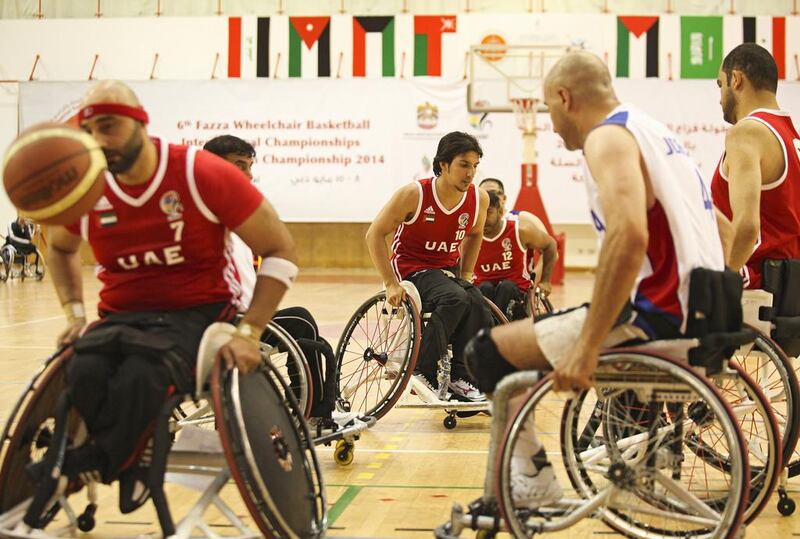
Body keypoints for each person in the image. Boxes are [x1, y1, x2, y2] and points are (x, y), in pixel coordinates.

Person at [26, 80, 297, 524]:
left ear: (140, 122)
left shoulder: (200, 172)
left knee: (141, 374)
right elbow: (57, 247)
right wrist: (75, 314)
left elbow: (282, 249)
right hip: (121, 315)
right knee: (84, 369)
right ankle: (114, 459)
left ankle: (96, 461)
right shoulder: (89, 186)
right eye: (88, 131)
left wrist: (251, 332)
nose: (97, 141)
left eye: (108, 127)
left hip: (199, 313)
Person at [464, 51, 724, 508]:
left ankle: (535, 483)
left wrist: (586, 346)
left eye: (548, 109)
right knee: (556, 328)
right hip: (706, 308)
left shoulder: (607, 138)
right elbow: (722, 225)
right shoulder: (655, 133)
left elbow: (628, 236)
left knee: (486, 352)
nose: (550, 122)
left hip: (660, 317)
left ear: (565, 97)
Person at [203, 134, 335, 420]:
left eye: (250, 167)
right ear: (212, 165)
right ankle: (311, 410)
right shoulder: (204, 216)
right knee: (300, 321)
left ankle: (313, 404)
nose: (248, 175)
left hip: (244, 317)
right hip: (222, 323)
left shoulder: (240, 218)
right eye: (240, 165)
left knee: (307, 334)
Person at [365, 131, 491, 401]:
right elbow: (374, 234)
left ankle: (460, 377)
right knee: (454, 297)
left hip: (444, 272)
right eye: (464, 165)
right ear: (443, 165)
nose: (470, 173)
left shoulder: (479, 198)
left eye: (475, 166)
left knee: (477, 300)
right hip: (410, 269)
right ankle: (420, 369)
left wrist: (467, 274)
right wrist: (389, 283)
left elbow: (476, 233)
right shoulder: (415, 193)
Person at [711, 43, 800, 290]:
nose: (720, 99)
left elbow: (747, 226)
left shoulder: (747, 132)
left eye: (721, 85)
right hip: (789, 292)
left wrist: (721, 285)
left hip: (758, 291)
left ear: (736, 80)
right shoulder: (792, 137)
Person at [473, 188, 557, 319]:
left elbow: (550, 244)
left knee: (506, 287)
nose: (483, 218)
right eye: (479, 213)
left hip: (517, 291)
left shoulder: (521, 230)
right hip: (484, 289)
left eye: (488, 212)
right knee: (484, 288)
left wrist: (545, 280)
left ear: (500, 212)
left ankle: (495, 327)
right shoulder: (470, 235)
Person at [478, 177, 555, 294]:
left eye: (492, 193)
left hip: (515, 284)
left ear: (503, 198)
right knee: (484, 289)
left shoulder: (523, 220)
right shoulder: (476, 223)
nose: (488, 196)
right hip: (486, 282)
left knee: (506, 288)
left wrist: (535, 282)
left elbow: (550, 250)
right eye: (484, 193)